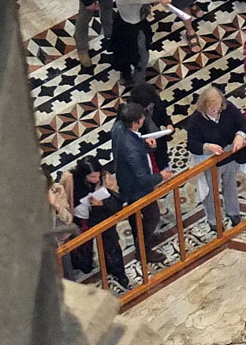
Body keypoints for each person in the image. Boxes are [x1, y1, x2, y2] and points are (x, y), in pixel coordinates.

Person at [112, 0, 189, 86]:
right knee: (141, 56)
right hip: (132, 28)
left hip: (128, 22)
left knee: (127, 53)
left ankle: (126, 76)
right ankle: (139, 84)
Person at [111, 101, 168, 265]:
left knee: (136, 218)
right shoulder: (132, 149)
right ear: (135, 122)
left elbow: (134, 143)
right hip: (138, 190)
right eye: (142, 119)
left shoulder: (118, 128)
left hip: (126, 182)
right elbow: (142, 178)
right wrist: (161, 176)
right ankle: (143, 250)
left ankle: (144, 240)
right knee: (152, 216)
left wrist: (145, 145)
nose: (144, 121)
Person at [186, 86, 246, 229]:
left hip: (229, 156)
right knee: (211, 192)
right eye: (212, 109)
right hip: (210, 162)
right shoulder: (196, 120)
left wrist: (240, 135)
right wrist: (207, 147)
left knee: (231, 185)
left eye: (218, 108)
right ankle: (214, 219)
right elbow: (191, 144)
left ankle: (233, 211)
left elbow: (243, 123)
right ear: (204, 106)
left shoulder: (228, 108)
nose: (216, 112)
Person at [69, 159, 129, 289]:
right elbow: (69, 201)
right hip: (83, 219)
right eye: (92, 177)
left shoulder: (105, 179)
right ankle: (84, 265)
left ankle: (118, 272)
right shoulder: (72, 182)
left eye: (97, 175)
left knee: (111, 246)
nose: (96, 179)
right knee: (83, 246)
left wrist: (102, 203)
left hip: (103, 216)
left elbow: (118, 202)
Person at [129, 81, 174, 172]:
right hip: (143, 141)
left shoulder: (155, 100)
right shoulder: (130, 111)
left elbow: (163, 115)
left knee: (162, 156)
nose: (149, 109)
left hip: (158, 136)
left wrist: (169, 124)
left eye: (150, 106)